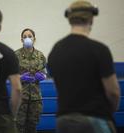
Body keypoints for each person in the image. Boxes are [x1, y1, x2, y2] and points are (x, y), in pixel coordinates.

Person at [48, 1, 120, 133]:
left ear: (69, 19)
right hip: (95, 119)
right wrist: (108, 113)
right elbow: (113, 92)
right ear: (91, 19)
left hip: (63, 122)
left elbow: (59, 87)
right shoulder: (100, 50)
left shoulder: (56, 50)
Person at [15, 28, 47, 133]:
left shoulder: (40, 56)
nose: (27, 38)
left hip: (35, 98)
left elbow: (45, 73)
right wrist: (20, 78)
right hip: (21, 98)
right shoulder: (15, 55)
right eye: (25, 37)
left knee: (32, 128)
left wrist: (42, 76)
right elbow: (10, 75)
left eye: (30, 36)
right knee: (19, 127)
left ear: (34, 39)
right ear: (21, 40)